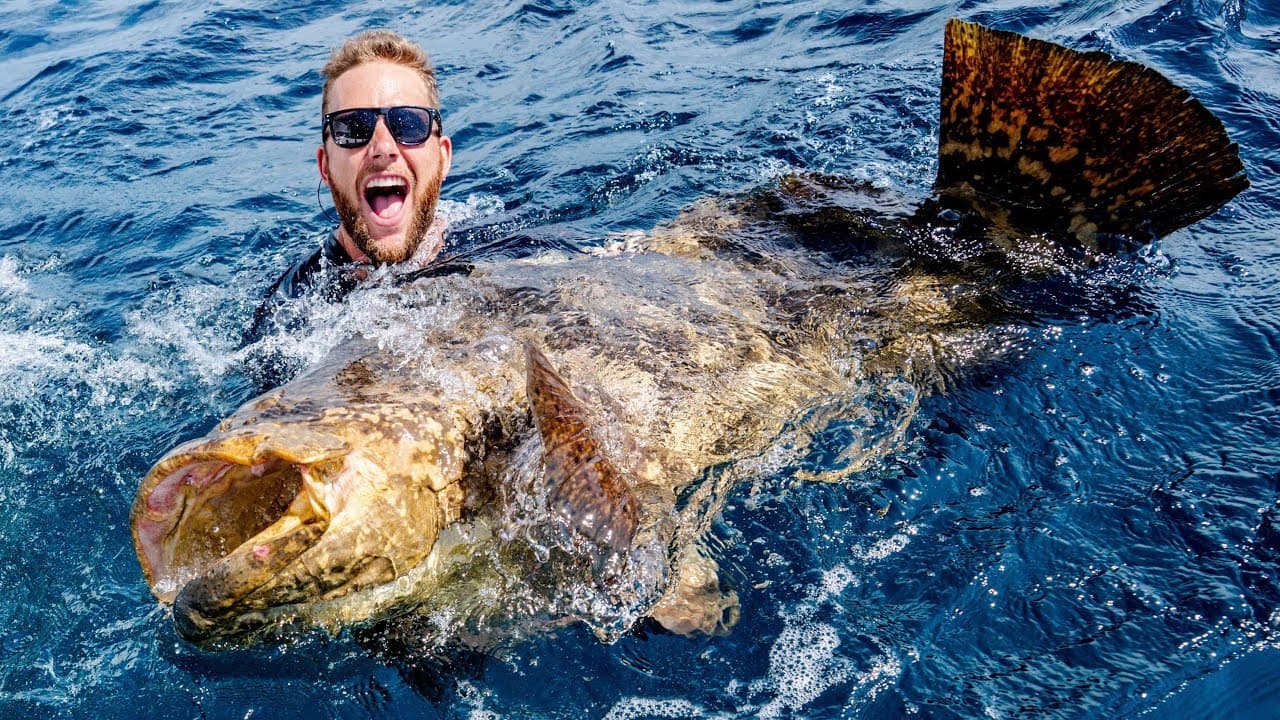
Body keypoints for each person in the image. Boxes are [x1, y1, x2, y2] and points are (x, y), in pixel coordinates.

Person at [247, 30, 455, 341]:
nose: (383, 148)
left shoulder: (508, 249)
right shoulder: (287, 319)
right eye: (354, 128)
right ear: (326, 166)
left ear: (443, 158)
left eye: (409, 124)